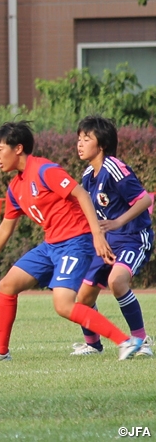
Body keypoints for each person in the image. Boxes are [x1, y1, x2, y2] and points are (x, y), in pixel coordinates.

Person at [0, 121, 143, 362]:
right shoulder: (15, 187)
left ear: (18, 148)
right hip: (51, 246)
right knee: (7, 285)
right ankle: (1, 352)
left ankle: (125, 341)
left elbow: (81, 194)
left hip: (76, 242)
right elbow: (6, 227)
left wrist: (97, 236)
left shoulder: (45, 170)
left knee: (63, 305)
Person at [70, 116, 153, 357]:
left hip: (133, 237)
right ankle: (92, 344)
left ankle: (140, 341)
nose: (80, 144)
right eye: (78, 139)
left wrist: (117, 222)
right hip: (108, 242)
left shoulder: (114, 167)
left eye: (86, 139)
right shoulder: (88, 175)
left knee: (116, 282)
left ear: (102, 144)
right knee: (82, 296)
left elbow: (145, 200)